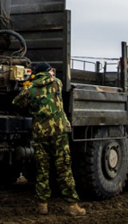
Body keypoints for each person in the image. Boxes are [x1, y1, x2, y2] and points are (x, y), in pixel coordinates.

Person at [12, 62, 86, 217]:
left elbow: (16, 102)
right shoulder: (57, 83)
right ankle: (72, 206)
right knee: (64, 168)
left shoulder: (30, 90)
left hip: (41, 134)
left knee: (42, 170)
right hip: (59, 132)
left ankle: (42, 205)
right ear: (48, 72)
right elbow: (53, 80)